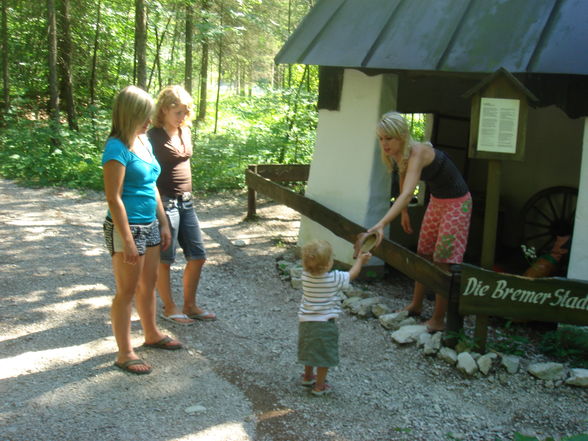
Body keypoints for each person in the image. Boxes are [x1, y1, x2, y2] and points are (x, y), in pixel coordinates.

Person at [365, 111, 472, 333]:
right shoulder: (399, 153)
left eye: (389, 138)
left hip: (458, 203)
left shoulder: (418, 152)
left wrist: (382, 223)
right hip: (438, 200)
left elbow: (406, 192)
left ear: (402, 135)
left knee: (443, 260)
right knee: (423, 253)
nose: (384, 144)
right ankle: (416, 305)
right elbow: (404, 177)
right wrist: (404, 213)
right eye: (381, 138)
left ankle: (438, 320)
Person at [102, 85, 182, 375]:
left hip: (149, 223)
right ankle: (124, 352)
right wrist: (127, 239)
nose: (149, 122)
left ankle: (151, 334)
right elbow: (114, 197)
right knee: (126, 291)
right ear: (129, 115)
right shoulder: (116, 148)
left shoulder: (144, 141)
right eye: (143, 117)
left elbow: (151, 186)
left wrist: (162, 223)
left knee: (148, 285)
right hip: (127, 228)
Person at [148, 85, 215, 325]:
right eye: (178, 112)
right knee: (165, 258)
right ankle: (169, 307)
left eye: (186, 112)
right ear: (164, 110)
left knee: (198, 255)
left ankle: (190, 305)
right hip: (165, 203)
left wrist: (182, 122)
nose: (183, 117)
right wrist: (159, 212)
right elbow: (148, 174)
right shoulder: (152, 135)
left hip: (187, 202)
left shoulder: (184, 131)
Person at [298, 239, 372, 396]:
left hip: (305, 322)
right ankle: (319, 386)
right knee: (324, 355)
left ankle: (308, 376)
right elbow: (352, 274)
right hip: (325, 324)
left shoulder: (305, 276)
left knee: (309, 349)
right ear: (327, 265)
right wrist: (360, 260)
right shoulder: (334, 279)